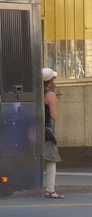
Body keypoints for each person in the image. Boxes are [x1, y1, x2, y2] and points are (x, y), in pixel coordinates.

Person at [42, 67, 63, 198]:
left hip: (33, 129)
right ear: (49, 82)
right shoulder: (50, 95)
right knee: (51, 159)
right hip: (46, 130)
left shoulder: (37, 93)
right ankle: (50, 190)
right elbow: (53, 115)